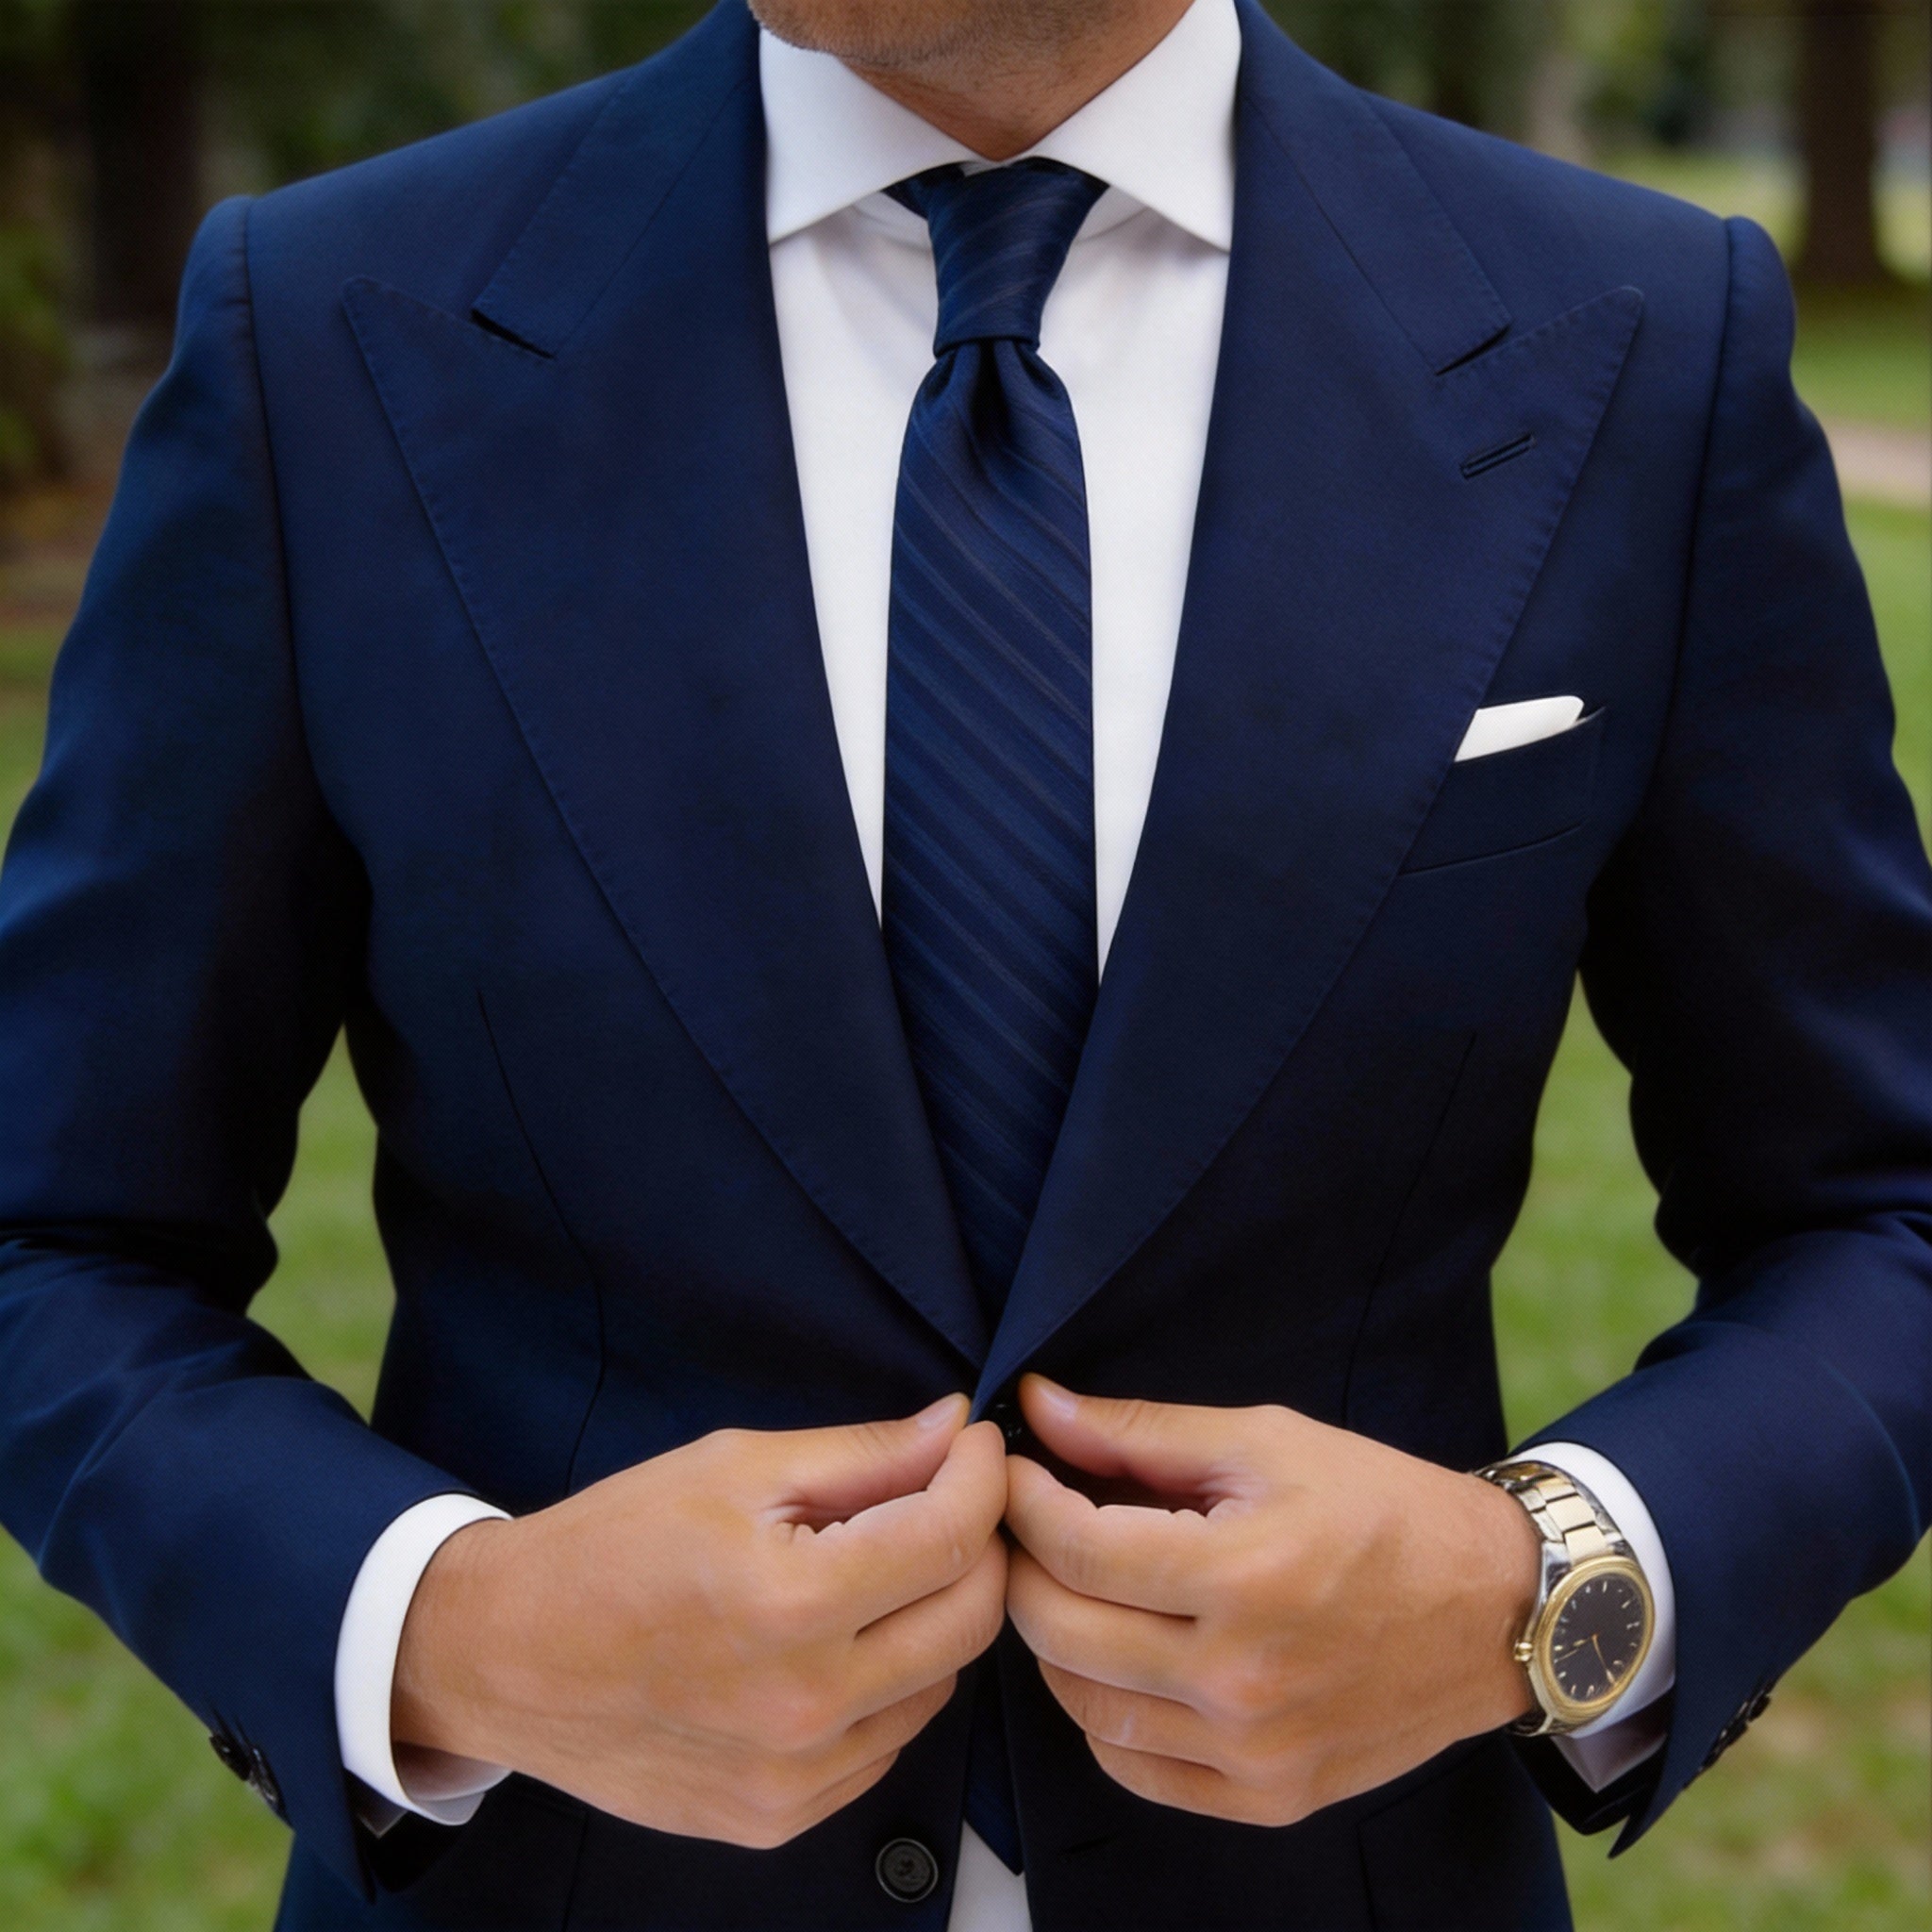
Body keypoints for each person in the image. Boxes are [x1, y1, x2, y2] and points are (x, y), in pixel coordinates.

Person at [0, 0, 1926, 1925]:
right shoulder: (327, 332)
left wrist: (1547, 1590)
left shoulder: (1638, 341)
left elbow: (1877, 1205)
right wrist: (452, 1630)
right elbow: (55, 1228)